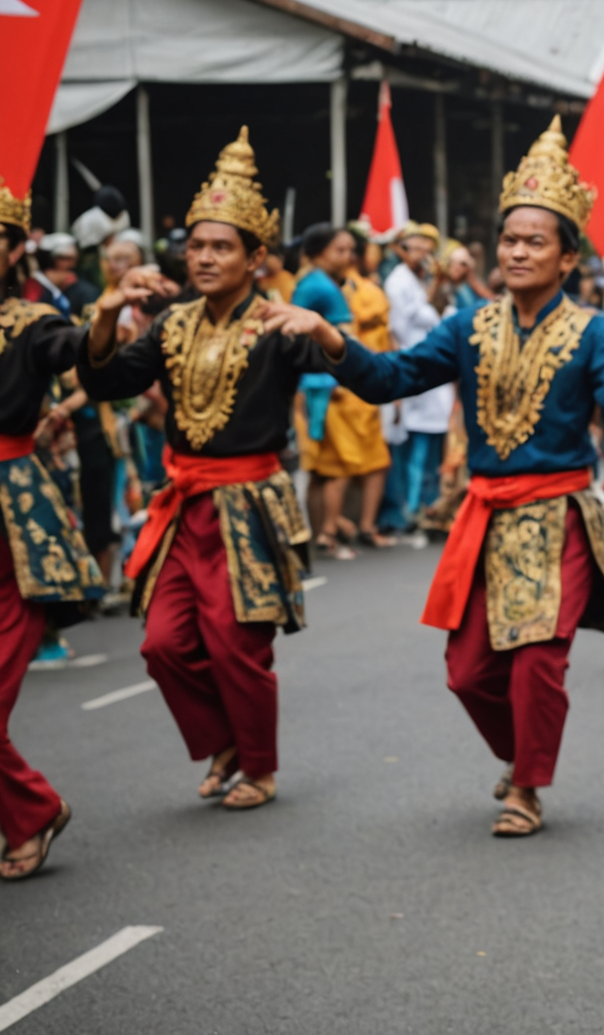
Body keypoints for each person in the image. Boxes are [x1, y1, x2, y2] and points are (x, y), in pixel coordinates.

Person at [272, 118, 604, 838]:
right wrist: (331, 338)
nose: (518, 251)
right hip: (486, 516)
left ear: (567, 255)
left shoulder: (596, 332)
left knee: (536, 662)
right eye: (510, 239)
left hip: (558, 519)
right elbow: (393, 376)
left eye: (535, 241)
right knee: (468, 672)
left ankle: (527, 786)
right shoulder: (467, 327)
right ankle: (518, 755)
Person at [79, 129, 325, 813]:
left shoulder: (277, 323)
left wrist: (323, 331)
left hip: (248, 506)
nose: (205, 257)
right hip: (184, 503)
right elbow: (109, 381)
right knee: (163, 644)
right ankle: (223, 741)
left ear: (256, 259)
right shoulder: (172, 323)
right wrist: (105, 315)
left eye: (222, 247)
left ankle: (261, 768)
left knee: (239, 645)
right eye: (197, 245)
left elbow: (342, 366)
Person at [0, 181, 105, 880]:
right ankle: (32, 810)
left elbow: (81, 352)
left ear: (14, 249)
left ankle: (32, 813)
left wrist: (112, 313)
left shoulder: (33, 323)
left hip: (11, 525)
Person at [297, 224, 395, 553]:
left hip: (325, 383)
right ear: (317, 253)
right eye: (339, 250)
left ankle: (326, 530)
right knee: (335, 465)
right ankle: (327, 532)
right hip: (330, 386)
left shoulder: (320, 284)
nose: (348, 256)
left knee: (324, 466)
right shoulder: (321, 287)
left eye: (350, 250)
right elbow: (311, 342)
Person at [381, 222, 455, 534]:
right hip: (412, 369)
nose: (423, 253)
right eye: (417, 247)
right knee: (411, 446)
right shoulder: (398, 281)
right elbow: (399, 328)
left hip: (431, 370)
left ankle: (425, 506)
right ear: (402, 249)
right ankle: (406, 511)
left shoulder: (417, 280)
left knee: (429, 446)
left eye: (427, 248)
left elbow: (432, 311)